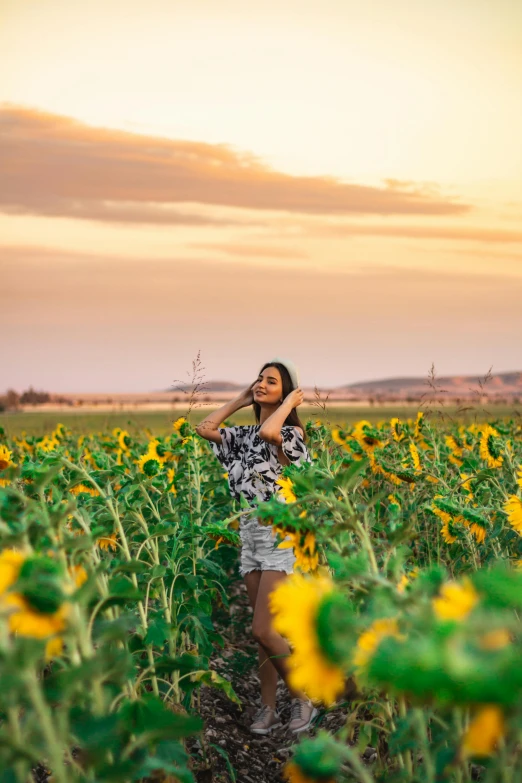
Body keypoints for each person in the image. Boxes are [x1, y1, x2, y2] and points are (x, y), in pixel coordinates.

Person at [195, 357, 318, 735]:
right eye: (260, 380)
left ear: (287, 393)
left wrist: (287, 407)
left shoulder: (290, 436)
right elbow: (204, 428)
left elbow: (270, 436)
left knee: (263, 629)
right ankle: (267, 708)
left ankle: (303, 698)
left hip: (282, 531)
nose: (262, 384)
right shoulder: (243, 435)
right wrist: (240, 398)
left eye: (272, 382)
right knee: (263, 634)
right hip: (249, 531)